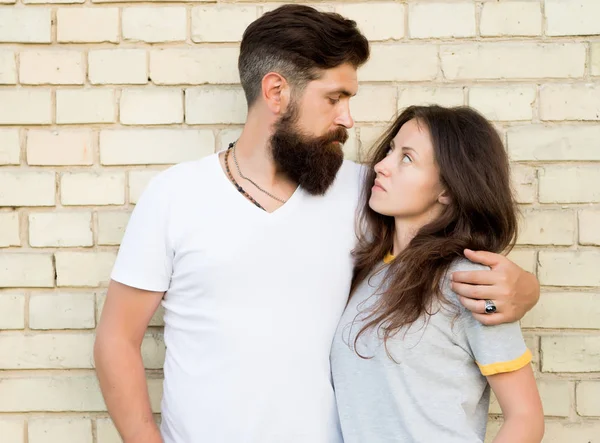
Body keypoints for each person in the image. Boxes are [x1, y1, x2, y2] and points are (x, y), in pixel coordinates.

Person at [93, 5, 540, 443]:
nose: (347, 117)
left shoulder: (367, 194)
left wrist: (523, 288)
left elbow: (440, 245)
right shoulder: (175, 195)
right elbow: (117, 340)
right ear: (276, 92)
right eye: (334, 98)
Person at [331, 105, 544, 443]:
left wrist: (529, 289)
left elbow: (526, 417)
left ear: (447, 189)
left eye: (407, 158)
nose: (382, 166)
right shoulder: (367, 271)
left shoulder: (470, 281)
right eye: (390, 151)